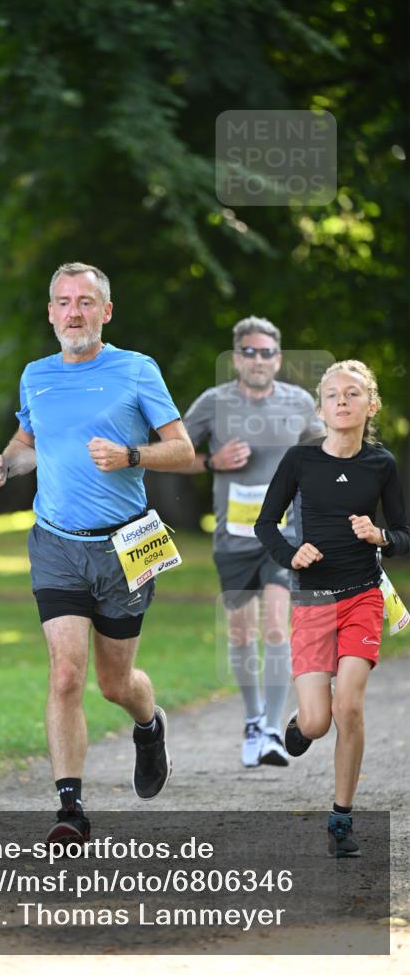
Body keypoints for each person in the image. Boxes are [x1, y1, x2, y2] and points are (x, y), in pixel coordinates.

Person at [0, 262, 194, 845]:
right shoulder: (36, 376)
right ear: (50, 311)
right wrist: (5, 464)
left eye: (86, 302)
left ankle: (149, 728)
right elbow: (29, 446)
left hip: (127, 546)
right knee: (66, 672)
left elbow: (183, 450)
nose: (74, 312)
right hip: (55, 544)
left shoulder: (136, 370)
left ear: (106, 311)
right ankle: (70, 808)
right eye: (63, 302)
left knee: (114, 683)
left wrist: (130, 456)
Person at [255, 360, 409, 856]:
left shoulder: (381, 464)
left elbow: (404, 533)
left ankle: (341, 818)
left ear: (371, 404)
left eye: (353, 393)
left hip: (363, 594)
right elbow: (265, 524)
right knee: (319, 722)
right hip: (314, 598)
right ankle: (302, 724)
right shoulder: (300, 461)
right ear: (321, 407)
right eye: (332, 395)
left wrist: (380, 535)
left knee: (350, 707)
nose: (342, 401)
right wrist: (290, 553)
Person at [182, 317, 324, 768]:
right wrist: (211, 461)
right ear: (237, 357)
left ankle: (272, 732)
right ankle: (252, 720)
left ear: (278, 359)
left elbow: (324, 458)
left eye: (267, 353)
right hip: (234, 538)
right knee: (242, 630)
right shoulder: (213, 403)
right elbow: (173, 453)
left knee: (278, 625)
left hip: (283, 535)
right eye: (250, 352)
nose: (258, 360)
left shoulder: (300, 403)